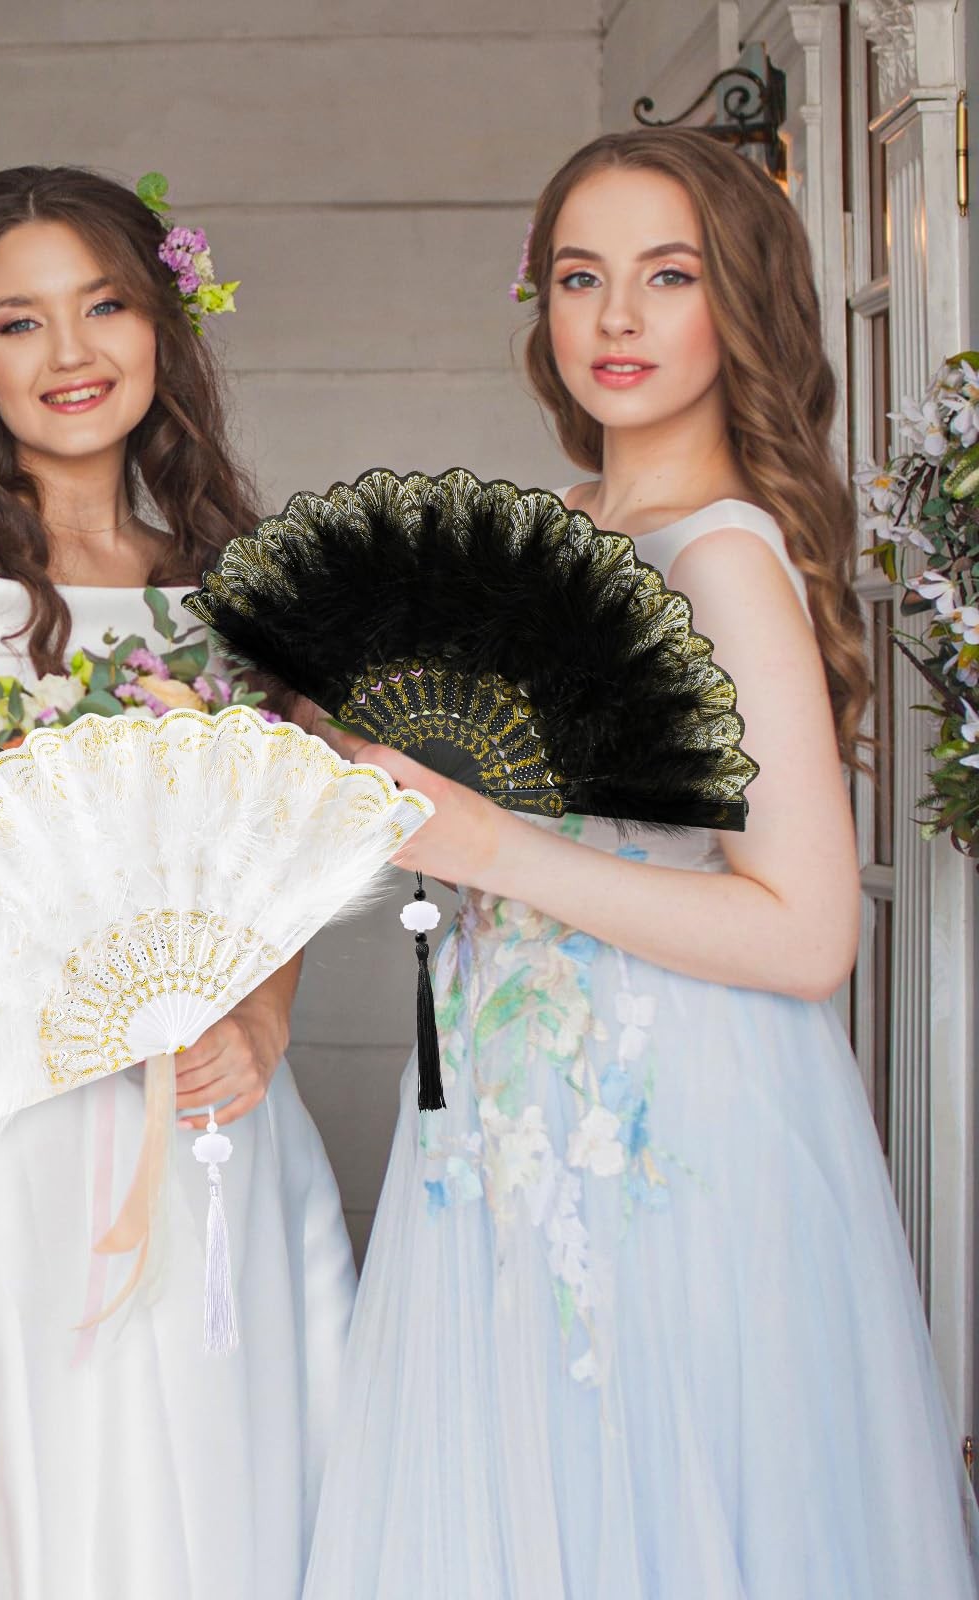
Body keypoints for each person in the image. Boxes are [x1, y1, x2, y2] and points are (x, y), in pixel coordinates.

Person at [306, 129, 979, 1599]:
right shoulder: (555, 537)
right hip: (494, 1117)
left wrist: (492, 844)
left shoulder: (718, 561)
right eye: (580, 277)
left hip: (662, 1131)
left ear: (739, 298)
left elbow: (808, 933)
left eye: (667, 276)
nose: (616, 317)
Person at [0, 164, 355, 1600]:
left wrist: (263, 1019)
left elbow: (287, 851)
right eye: (19, 321)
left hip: (220, 1121)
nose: (70, 353)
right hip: (7, 1151)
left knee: (221, 1497)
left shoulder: (237, 588)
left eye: (103, 306)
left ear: (164, 323)